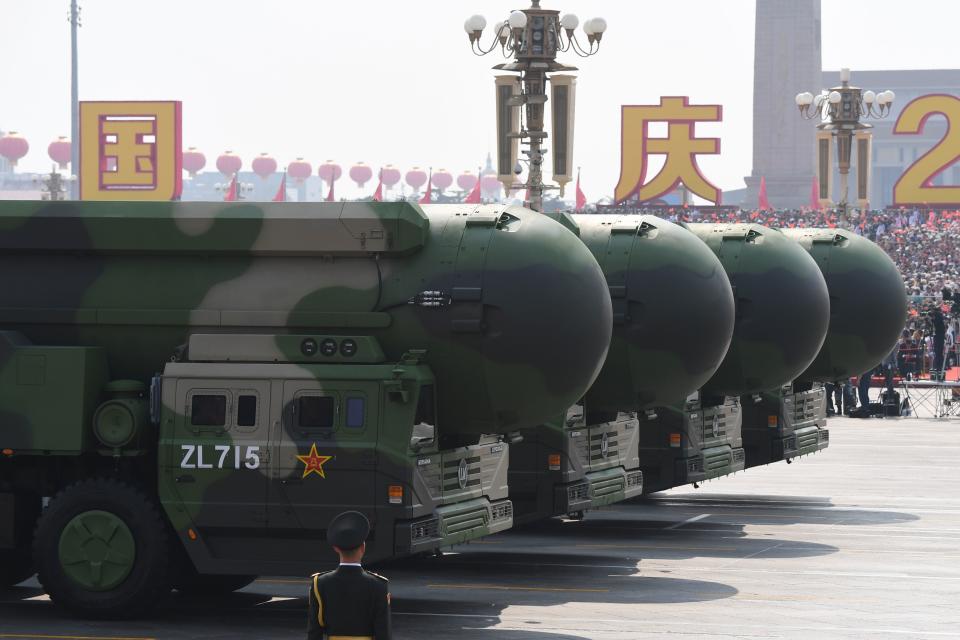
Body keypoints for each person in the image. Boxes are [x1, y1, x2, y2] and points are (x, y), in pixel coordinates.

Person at [307, 511, 391, 639]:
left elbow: (314, 631)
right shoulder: (378, 585)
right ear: (363, 547)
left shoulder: (320, 583)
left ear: (336, 548)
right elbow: (383, 634)